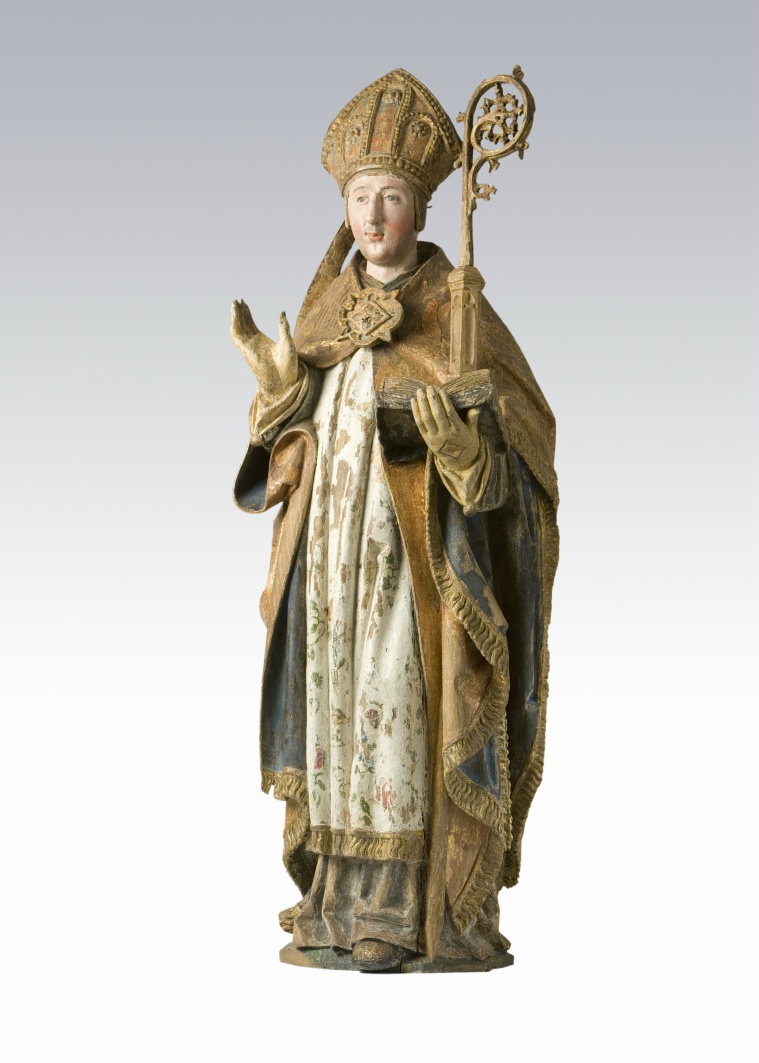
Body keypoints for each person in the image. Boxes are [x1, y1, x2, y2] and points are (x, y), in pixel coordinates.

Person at [232, 69, 559, 972]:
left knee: (401, 705)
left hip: (412, 560)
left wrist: (460, 445)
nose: (374, 216)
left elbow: (518, 456)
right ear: (344, 208)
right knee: (332, 705)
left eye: (392, 198)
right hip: (329, 557)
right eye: (360, 198)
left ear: (419, 208)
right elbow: (292, 438)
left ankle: (402, 908)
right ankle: (334, 896)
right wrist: (280, 390)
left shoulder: (458, 312)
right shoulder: (324, 312)